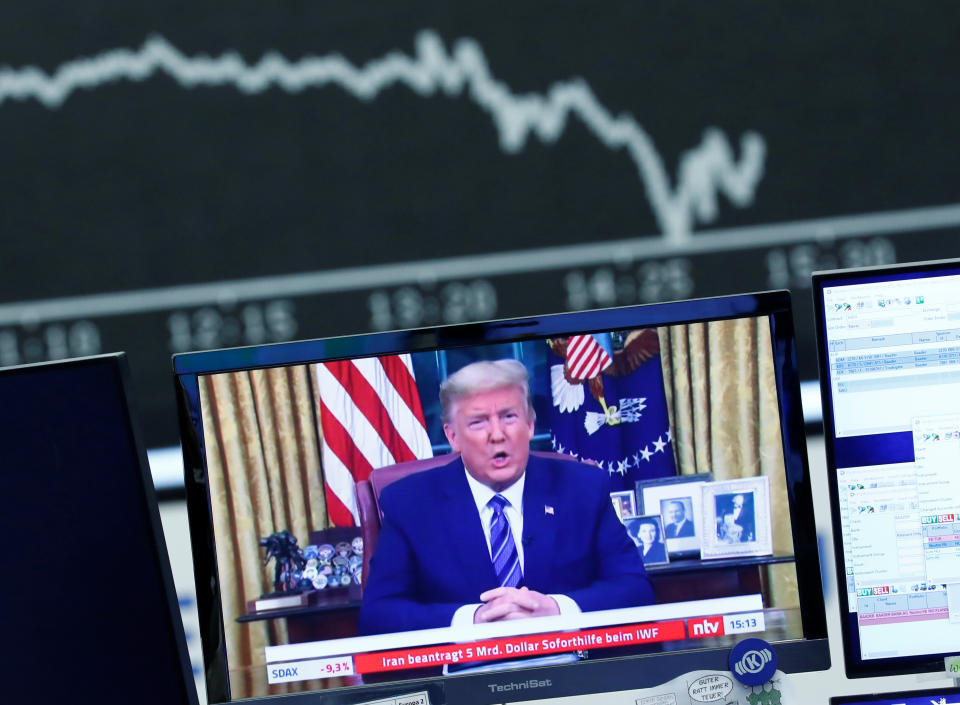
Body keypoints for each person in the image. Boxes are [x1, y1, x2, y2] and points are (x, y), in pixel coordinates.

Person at [358, 359, 654, 635]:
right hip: (463, 677)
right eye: (478, 422)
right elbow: (378, 615)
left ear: (529, 424)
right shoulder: (409, 504)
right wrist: (472, 621)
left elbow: (635, 589)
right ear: (452, 437)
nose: (497, 434)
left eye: (509, 416)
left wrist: (558, 610)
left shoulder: (583, 488)